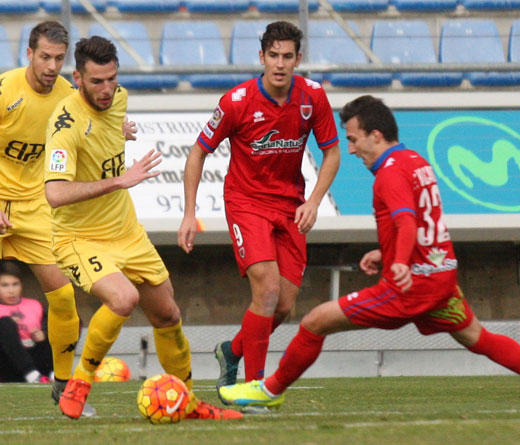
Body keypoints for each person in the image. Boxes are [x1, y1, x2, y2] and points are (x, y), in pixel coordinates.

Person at [218, 95, 520, 419]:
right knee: (478, 337)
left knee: (315, 321)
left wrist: (397, 262)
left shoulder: (389, 174)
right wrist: (388, 250)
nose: (351, 148)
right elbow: (419, 221)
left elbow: (406, 220)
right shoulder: (415, 160)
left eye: (353, 139)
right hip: (440, 278)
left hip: (409, 285)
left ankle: (268, 391)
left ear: (375, 135)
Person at [44, 35, 242, 421]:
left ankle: (188, 404)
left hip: (126, 231)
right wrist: (120, 180)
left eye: (112, 79)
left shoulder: (118, 99)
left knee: (167, 315)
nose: (106, 89)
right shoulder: (64, 125)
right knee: (122, 299)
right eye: (97, 81)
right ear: (77, 78)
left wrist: (122, 131)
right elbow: (54, 194)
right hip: (79, 237)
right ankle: (79, 382)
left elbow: (106, 126)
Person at [178, 21, 341, 397]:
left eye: (287, 56)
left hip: (291, 207)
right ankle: (254, 386)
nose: (280, 64)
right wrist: (190, 213)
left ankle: (230, 351)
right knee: (266, 290)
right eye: (273, 56)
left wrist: (314, 201)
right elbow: (198, 151)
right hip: (246, 203)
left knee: (282, 306)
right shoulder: (236, 102)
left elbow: (332, 151)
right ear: (261, 57)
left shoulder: (312, 97)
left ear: (298, 59)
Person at [0, 21, 123, 415]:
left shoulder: (70, 97)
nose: (51, 65)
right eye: (45, 57)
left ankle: (64, 385)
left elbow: (96, 126)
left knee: (64, 297)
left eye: (58, 58)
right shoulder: (5, 91)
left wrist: (123, 129)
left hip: (36, 208)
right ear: (29, 55)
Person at [0, 261, 53, 383]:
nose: (11, 291)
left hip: (36, 358)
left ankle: (55, 374)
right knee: (5, 323)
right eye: (5, 285)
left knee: (62, 320)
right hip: (8, 366)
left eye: (15, 284)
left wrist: (42, 335)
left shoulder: (35, 305)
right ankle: (31, 374)